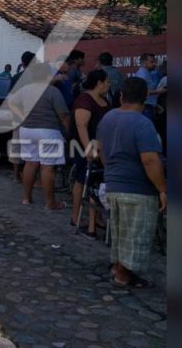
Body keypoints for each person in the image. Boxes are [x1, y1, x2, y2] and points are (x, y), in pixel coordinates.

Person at [97, 77, 166, 288]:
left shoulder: (108, 118)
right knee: (135, 236)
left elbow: (99, 150)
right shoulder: (142, 123)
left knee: (120, 233)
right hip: (137, 189)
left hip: (113, 185)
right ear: (145, 98)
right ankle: (123, 275)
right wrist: (163, 188)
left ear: (121, 96)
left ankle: (118, 268)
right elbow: (150, 159)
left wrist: (110, 170)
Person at [8, 62, 70, 209]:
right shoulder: (53, 91)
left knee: (30, 164)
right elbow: (63, 115)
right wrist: (68, 131)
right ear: (49, 75)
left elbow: (11, 102)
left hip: (27, 130)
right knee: (47, 168)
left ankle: (26, 198)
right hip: (48, 131)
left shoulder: (25, 90)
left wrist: (21, 115)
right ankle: (50, 203)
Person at [70, 69, 112, 238]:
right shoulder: (84, 100)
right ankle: (75, 215)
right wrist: (88, 149)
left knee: (98, 182)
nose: (109, 85)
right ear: (99, 83)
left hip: (102, 148)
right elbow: (82, 126)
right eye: (107, 81)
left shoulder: (104, 99)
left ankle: (98, 217)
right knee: (82, 180)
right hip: (84, 147)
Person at [9, 51, 36, 182]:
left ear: (23, 63)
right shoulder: (37, 78)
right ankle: (31, 176)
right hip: (34, 115)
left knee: (17, 145)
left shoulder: (16, 77)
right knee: (32, 146)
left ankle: (16, 176)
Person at [133, 53, 165, 121]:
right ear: (144, 62)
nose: (154, 64)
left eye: (154, 62)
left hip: (148, 107)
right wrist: (158, 91)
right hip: (145, 108)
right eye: (151, 62)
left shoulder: (147, 73)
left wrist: (155, 105)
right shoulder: (142, 74)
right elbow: (141, 91)